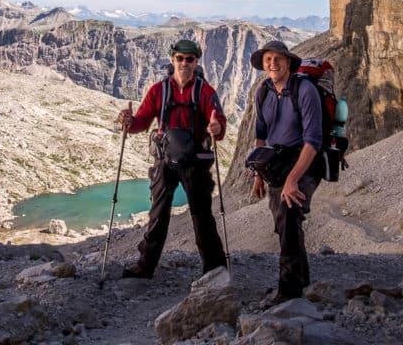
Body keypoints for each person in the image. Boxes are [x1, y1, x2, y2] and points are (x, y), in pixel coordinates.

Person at [117, 39, 228, 279]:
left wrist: (217, 127)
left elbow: (219, 124)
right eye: (180, 58)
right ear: (173, 59)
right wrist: (128, 122)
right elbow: (142, 122)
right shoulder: (159, 90)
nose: (184, 63)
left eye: (190, 59)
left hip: (195, 163)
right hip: (165, 162)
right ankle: (145, 266)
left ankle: (215, 268)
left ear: (196, 61)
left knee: (202, 216)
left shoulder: (205, 91)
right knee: (158, 214)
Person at [249, 40, 323, 305]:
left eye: (278, 58)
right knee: (283, 225)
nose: (272, 63)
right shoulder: (263, 91)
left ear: (289, 62)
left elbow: (313, 141)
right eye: (268, 59)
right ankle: (302, 281)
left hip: (305, 163)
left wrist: (293, 180)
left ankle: (289, 291)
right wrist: (258, 173)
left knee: (289, 214)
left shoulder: (305, 90)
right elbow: (261, 134)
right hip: (275, 165)